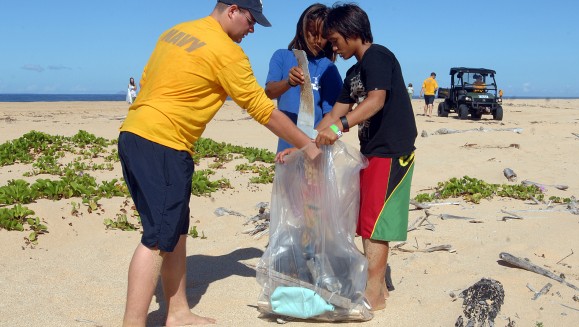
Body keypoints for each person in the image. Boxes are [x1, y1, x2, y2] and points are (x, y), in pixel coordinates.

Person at [117, 1, 319, 326]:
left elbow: (147, 80)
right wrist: (307, 145)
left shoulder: (176, 32)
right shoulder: (226, 51)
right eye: (251, 21)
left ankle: (179, 311)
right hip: (164, 144)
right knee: (157, 237)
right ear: (233, 10)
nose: (252, 29)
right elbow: (261, 108)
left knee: (177, 231)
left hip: (134, 135)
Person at [313, 3, 417, 311]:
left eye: (335, 40)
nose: (333, 46)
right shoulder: (354, 71)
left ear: (352, 32)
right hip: (371, 152)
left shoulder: (378, 56)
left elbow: (376, 100)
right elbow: (335, 112)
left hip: (391, 151)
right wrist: (304, 143)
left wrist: (340, 129)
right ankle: (377, 289)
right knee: (366, 222)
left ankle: (373, 295)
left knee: (376, 225)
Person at [265, 3, 343, 152]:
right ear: (302, 29)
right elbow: (269, 92)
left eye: (323, 36)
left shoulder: (328, 68)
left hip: (315, 147)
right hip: (285, 146)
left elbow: (333, 115)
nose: (318, 40)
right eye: (313, 33)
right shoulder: (282, 56)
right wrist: (288, 82)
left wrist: (321, 140)